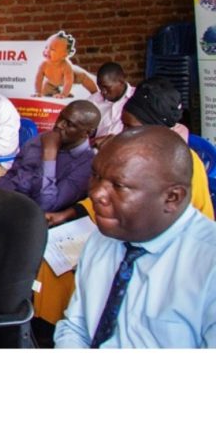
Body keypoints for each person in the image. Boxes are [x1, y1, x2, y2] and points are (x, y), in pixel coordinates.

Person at [33, 77, 214, 330]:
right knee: (51, 256)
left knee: (70, 271)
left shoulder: (182, 165)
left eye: (130, 127)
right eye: (124, 125)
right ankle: (59, 327)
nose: (123, 132)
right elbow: (108, 193)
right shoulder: (129, 154)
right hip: (122, 231)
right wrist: (66, 214)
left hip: (158, 247)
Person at [54, 127, 216, 348]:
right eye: (96, 176)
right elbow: (75, 327)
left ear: (172, 197)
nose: (96, 193)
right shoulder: (103, 239)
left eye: (119, 186)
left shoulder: (208, 263)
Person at [0, 100, 100, 213]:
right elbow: (12, 174)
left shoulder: (87, 164)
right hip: (6, 200)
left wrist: (49, 155)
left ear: (87, 133)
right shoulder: (41, 138)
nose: (59, 125)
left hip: (30, 215)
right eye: (60, 117)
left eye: (69, 124)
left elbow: (46, 206)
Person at [88, 62, 135, 148]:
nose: (103, 92)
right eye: (100, 87)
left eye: (107, 87)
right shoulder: (93, 101)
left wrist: (112, 140)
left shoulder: (136, 98)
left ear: (121, 81)